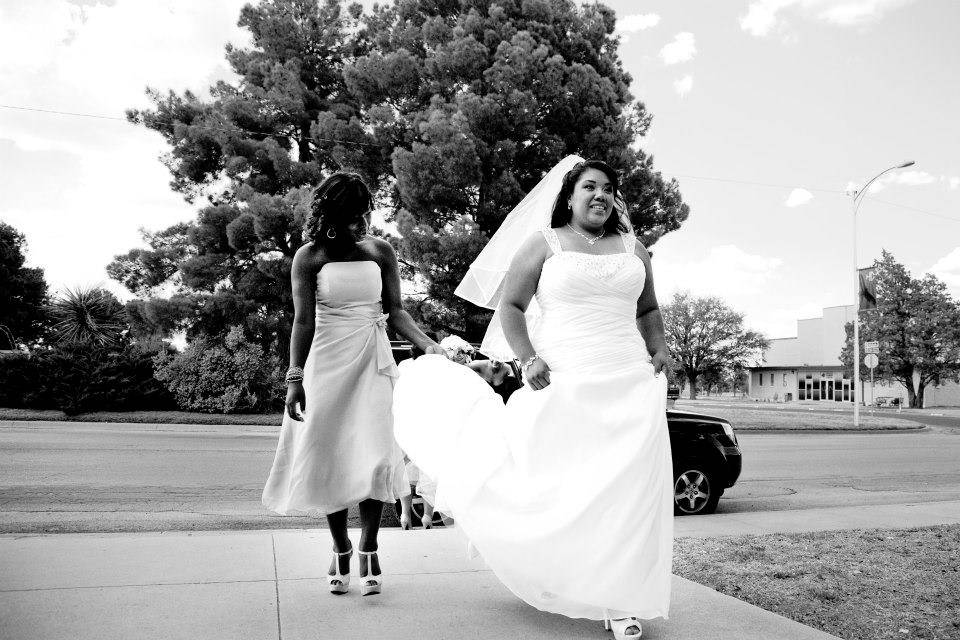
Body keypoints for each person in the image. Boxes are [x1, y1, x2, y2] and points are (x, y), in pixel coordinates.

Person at [393, 156, 674, 639]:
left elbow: (647, 308)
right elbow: (512, 306)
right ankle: (520, 541)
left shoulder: (634, 248)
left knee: (628, 494)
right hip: (565, 379)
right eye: (590, 187)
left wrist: (660, 344)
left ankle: (619, 599)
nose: (600, 196)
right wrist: (527, 359)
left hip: (629, 380)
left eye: (608, 188)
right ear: (569, 195)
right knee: (564, 484)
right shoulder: (544, 244)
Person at [261, 172, 444, 597]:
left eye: (365, 213)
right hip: (325, 363)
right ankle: (341, 547)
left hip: (372, 362)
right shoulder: (309, 257)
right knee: (330, 456)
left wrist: (429, 345)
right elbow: (303, 321)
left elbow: (396, 310)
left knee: (377, 456)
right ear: (330, 216)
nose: (362, 223)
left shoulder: (380, 251)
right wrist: (294, 378)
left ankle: (370, 546)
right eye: (353, 216)